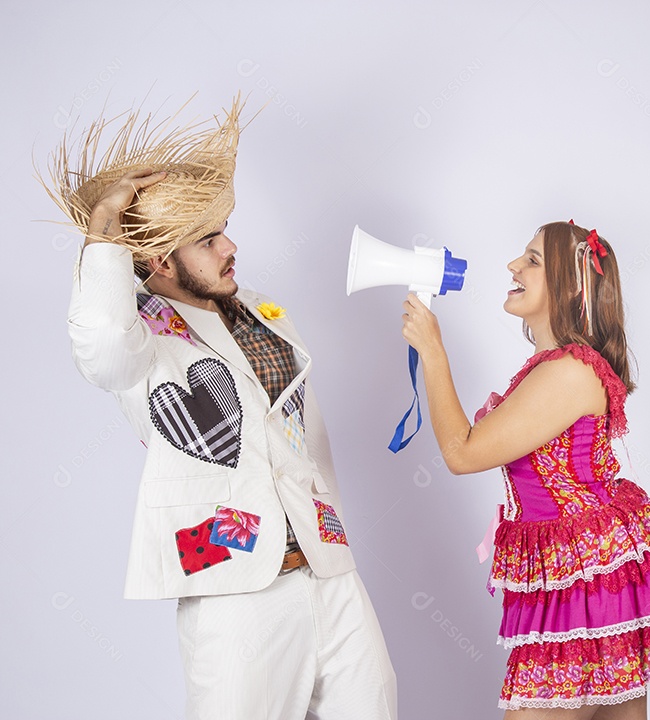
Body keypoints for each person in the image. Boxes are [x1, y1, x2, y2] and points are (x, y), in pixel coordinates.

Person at [44, 96, 396, 720]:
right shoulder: (140, 338)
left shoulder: (259, 309)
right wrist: (104, 229)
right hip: (234, 583)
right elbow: (99, 350)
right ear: (159, 262)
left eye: (224, 229)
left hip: (325, 564)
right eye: (208, 240)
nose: (231, 246)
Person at [401, 220, 650, 716]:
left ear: (568, 286)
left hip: (587, 578)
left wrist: (434, 352)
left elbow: (462, 452)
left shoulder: (569, 371)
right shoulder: (558, 366)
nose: (513, 266)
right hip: (589, 570)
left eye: (533, 260)